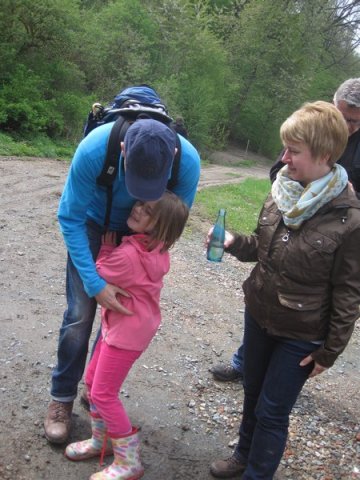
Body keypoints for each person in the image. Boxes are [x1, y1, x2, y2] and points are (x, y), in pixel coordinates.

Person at [209, 101, 360, 479]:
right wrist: (231, 242)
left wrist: (330, 351)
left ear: (324, 155)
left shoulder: (349, 220)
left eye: (294, 151)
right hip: (259, 313)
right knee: (252, 396)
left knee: (272, 411)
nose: (285, 159)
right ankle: (243, 456)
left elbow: (349, 292)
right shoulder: (281, 192)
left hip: (301, 334)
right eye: (285, 149)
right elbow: (263, 249)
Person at [44, 117, 201, 444]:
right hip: (91, 224)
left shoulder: (187, 163)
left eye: (151, 188)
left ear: (172, 154)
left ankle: (96, 394)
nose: (139, 195)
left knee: (116, 313)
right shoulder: (93, 149)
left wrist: (142, 259)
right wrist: (95, 283)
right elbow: (69, 216)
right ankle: (61, 398)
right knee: (79, 314)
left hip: (138, 234)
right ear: (122, 150)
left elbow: (171, 227)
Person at [211, 77, 360, 383]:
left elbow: (349, 290)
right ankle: (247, 363)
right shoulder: (310, 129)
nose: (348, 125)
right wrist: (293, 192)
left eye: (355, 121)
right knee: (270, 295)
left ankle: (288, 370)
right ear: (333, 104)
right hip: (293, 222)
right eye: (343, 116)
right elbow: (277, 171)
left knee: (310, 302)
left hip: (336, 233)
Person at [64, 191, 189, 480]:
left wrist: (107, 251)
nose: (137, 208)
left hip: (125, 333)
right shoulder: (153, 249)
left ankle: (128, 460)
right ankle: (100, 442)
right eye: (140, 203)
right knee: (94, 382)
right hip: (126, 326)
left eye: (148, 210)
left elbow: (98, 274)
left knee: (103, 393)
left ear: (159, 227)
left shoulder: (130, 256)